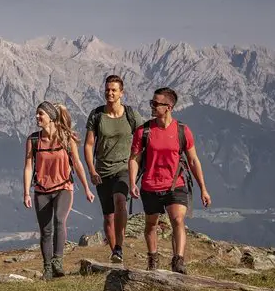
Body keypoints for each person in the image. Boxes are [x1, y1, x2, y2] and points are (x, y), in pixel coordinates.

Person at [128, 87, 211, 274]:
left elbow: (193, 160)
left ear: (169, 107)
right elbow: (134, 158)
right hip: (150, 185)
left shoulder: (183, 131)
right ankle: (153, 259)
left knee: (178, 219)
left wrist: (203, 189)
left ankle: (178, 261)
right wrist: (132, 182)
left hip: (176, 184)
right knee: (151, 224)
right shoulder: (143, 131)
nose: (152, 106)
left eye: (156, 103)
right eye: (152, 102)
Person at [23, 101, 95, 279]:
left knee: (59, 220)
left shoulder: (65, 138)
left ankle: (58, 260)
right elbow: (28, 167)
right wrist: (26, 192)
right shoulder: (33, 140)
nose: (37, 117)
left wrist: (86, 188)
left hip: (63, 187)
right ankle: (48, 267)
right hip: (41, 190)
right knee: (45, 230)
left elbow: (77, 164)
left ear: (51, 117)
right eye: (37, 113)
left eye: (41, 114)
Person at [84, 74, 142, 264]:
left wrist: (139, 162)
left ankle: (119, 246)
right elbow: (89, 145)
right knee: (108, 217)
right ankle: (115, 254)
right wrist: (92, 170)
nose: (110, 93)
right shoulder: (97, 115)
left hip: (124, 168)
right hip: (102, 171)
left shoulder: (130, 115)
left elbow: (144, 136)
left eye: (114, 90)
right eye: (107, 89)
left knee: (120, 201)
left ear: (121, 93)